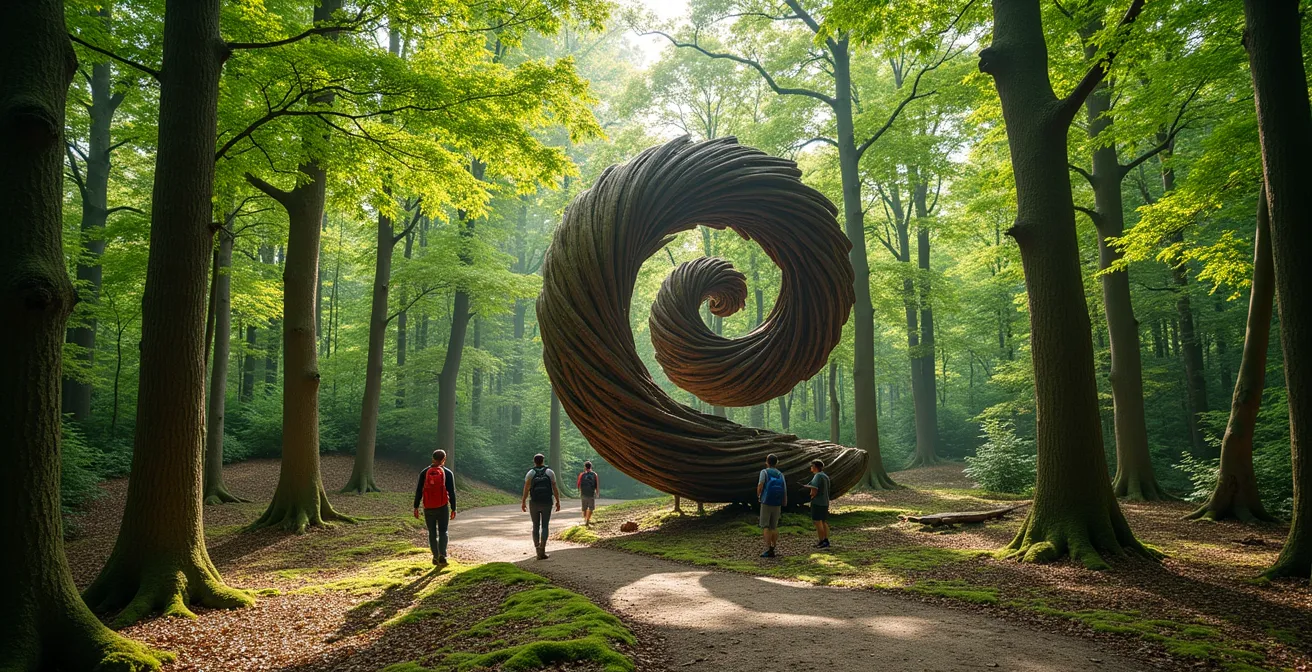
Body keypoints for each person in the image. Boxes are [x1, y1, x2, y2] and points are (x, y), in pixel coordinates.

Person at [412, 449, 456, 566]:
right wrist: (453, 508)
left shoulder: (424, 472)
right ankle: (442, 555)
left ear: (433, 458)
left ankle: (435, 556)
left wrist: (416, 507)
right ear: (444, 459)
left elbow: (419, 491)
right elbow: (452, 492)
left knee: (432, 532)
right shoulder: (447, 473)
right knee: (443, 531)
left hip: (428, 507)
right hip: (442, 507)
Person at [521, 453, 561, 559]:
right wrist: (558, 501)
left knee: (535, 525)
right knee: (545, 526)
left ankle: (537, 549)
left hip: (534, 502)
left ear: (534, 461)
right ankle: (542, 549)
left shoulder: (530, 473)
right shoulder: (550, 472)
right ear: (543, 461)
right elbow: (554, 488)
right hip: (547, 502)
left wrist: (523, 501)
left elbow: (526, 489)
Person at [756, 453, 787, 558]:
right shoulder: (780, 474)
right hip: (777, 502)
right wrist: (784, 501)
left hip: (766, 501)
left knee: (766, 526)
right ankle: (774, 546)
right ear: (776, 462)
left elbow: (760, 484)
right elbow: (784, 489)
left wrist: (759, 495)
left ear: (767, 462)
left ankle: (768, 549)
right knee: (774, 526)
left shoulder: (764, 472)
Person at [803, 459, 831, 548]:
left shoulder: (817, 476)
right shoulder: (825, 476)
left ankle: (821, 540)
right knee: (823, 521)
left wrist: (812, 496)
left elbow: (814, 488)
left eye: (812, 466)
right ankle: (826, 540)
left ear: (815, 467)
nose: (811, 467)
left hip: (817, 502)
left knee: (817, 522)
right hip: (825, 502)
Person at [577, 461, 600, 526]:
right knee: (591, 508)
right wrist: (597, 492)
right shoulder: (594, 474)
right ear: (591, 467)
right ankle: (587, 519)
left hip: (584, 493)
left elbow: (578, 484)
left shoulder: (582, 474)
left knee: (584, 508)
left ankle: (585, 519)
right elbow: (597, 484)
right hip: (591, 493)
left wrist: (580, 491)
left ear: (585, 467)